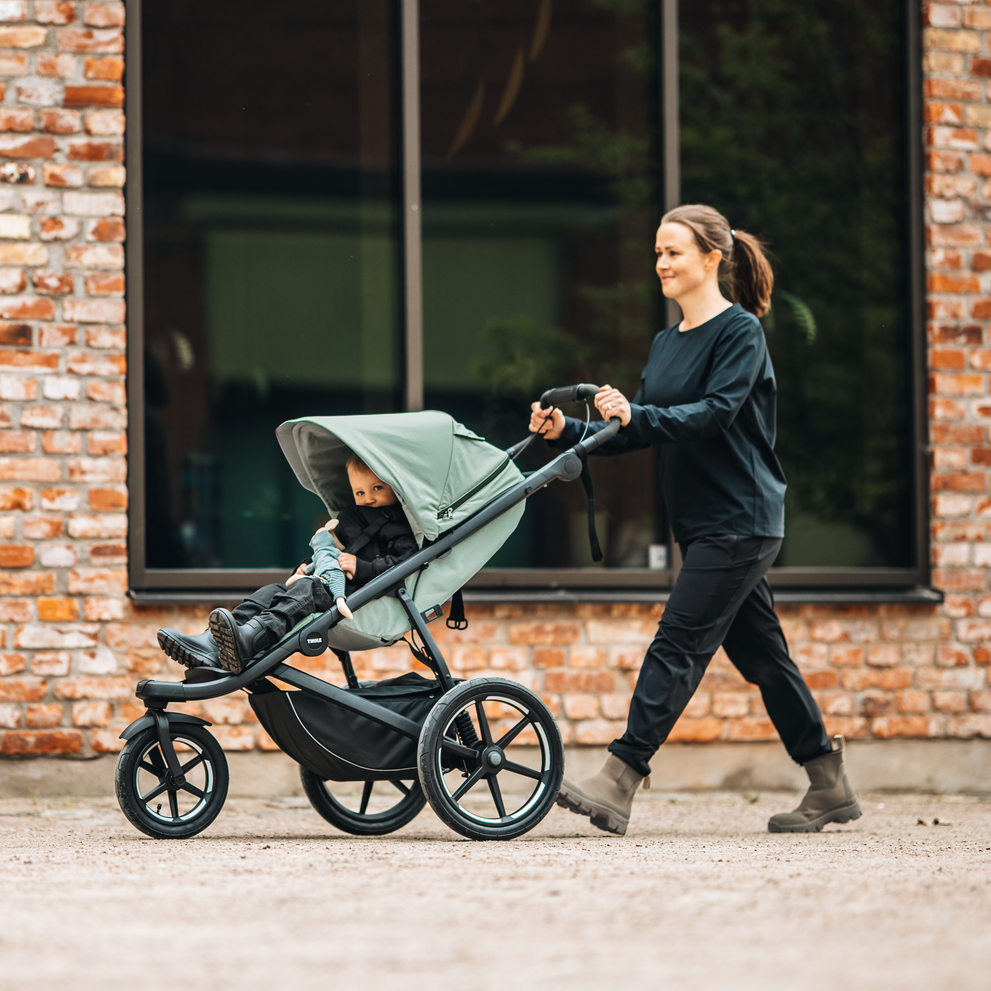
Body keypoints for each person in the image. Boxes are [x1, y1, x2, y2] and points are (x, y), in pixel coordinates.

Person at [531, 204, 860, 836]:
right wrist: (567, 431)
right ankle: (828, 781)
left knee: (678, 641)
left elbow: (713, 415)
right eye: (656, 252)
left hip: (741, 518)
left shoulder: (740, 334)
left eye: (674, 252)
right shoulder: (666, 342)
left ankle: (619, 778)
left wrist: (637, 414)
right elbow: (638, 430)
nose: (661, 263)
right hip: (704, 523)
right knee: (765, 657)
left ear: (712, 258)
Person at [157, 453, 418, 675]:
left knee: (307, 592)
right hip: (329, 583)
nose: (368, 498)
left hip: (358, 596)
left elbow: (404, 564)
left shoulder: (400, 527)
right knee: (273, 591)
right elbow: (329, 552)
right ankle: (213, 642)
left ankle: (250, 641)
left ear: (394, 486)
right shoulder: (356, 520)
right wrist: (307, 566)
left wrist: (362, 568)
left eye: (377, 489)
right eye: (360, 492)